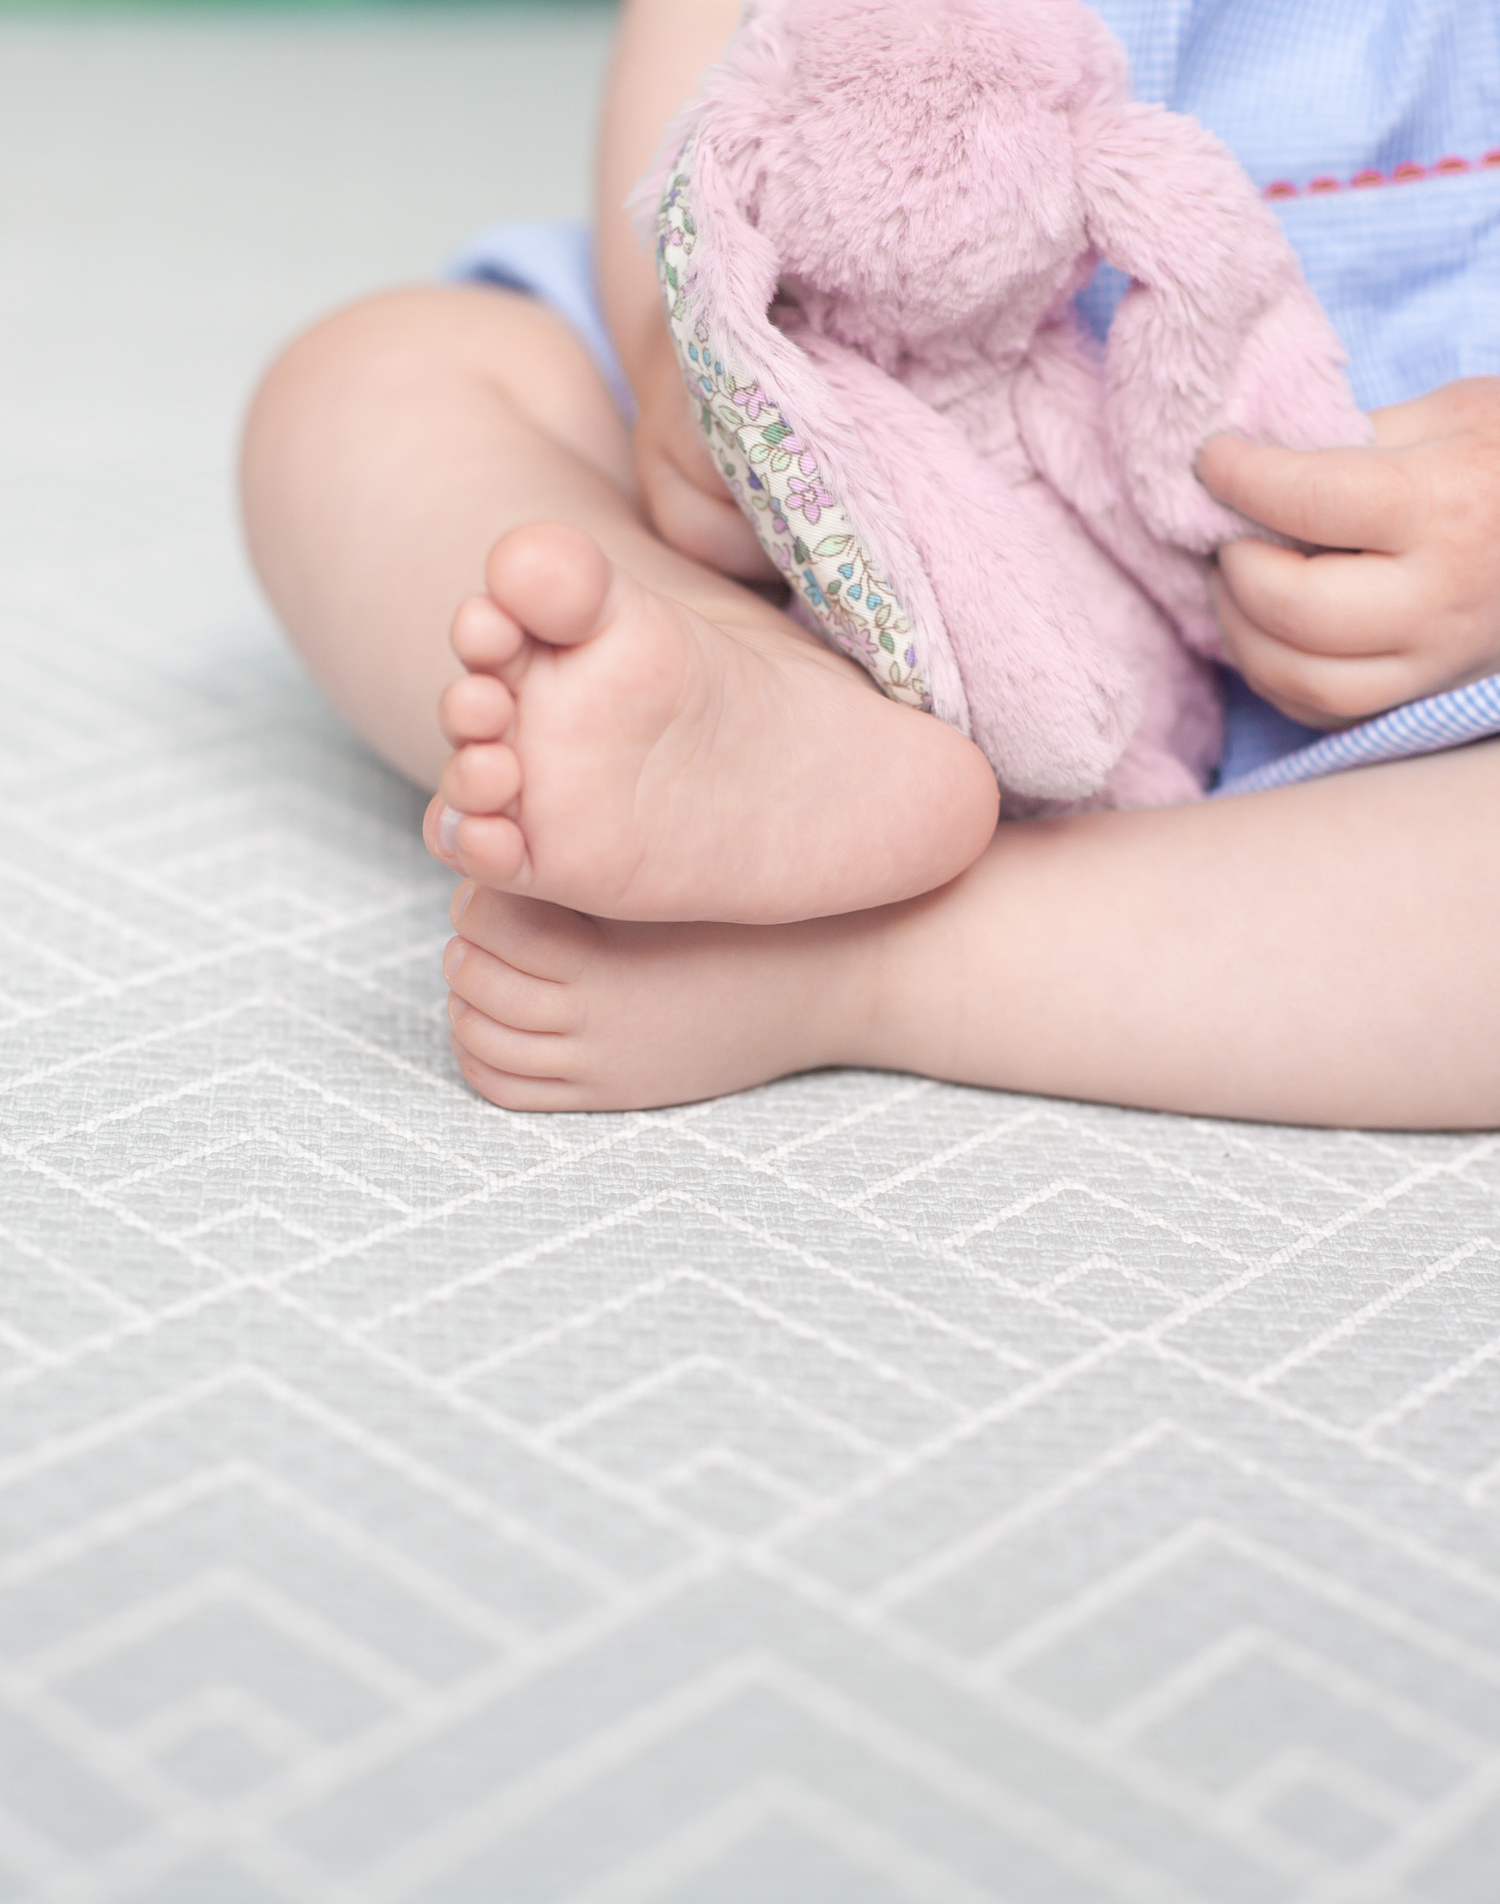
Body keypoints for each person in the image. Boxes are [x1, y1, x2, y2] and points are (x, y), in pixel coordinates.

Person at [240, 0, 1500, 1127]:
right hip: (839, 487)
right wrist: (688, 363)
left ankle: (881, 956)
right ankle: (740, 696)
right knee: (368, 384)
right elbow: (705, 55)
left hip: (1375, 627)